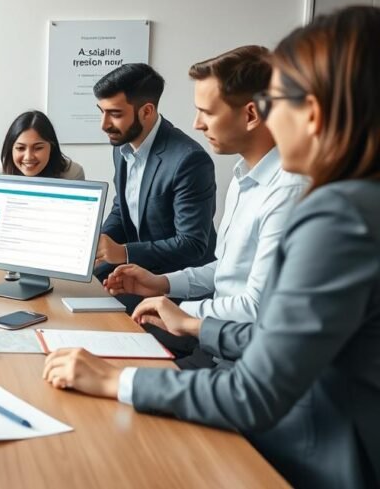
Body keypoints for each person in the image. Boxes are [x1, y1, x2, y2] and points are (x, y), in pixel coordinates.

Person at [43, 6, 380, 488]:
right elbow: (276, 333)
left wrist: (116, 379)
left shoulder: (338, 214)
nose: (270, 116)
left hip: (310, 451)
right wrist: (184, 309)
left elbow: (255, 391)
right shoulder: (348, 200)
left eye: (277, 100)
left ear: (315, 111)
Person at [104, 46, 308, 367]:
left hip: (244, 363)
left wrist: (180, 311)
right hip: (216, 347)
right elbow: (225, 270)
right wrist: (163, 283)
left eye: (207, 112)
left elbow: (257, 308)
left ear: (251, 115)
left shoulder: (288, 191)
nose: (197, 124)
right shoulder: (243, 177)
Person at [92, 63, 217, 290]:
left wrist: (123, 252)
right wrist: (96, 244)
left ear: (147, 111)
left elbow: (192, 244)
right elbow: (123, 209)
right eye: (102, 112)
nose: (104, 125)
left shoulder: (190, 160)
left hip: (177, 281)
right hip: (135, 269)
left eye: (115, 114)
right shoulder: (122, 148)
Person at [0, 110, 85, 179]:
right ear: (11, 148)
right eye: (20, 148)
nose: (28, 157)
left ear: (52, 147)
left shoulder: (72, 174)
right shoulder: (1, 171)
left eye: (38, 148)